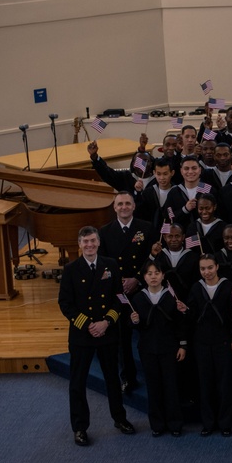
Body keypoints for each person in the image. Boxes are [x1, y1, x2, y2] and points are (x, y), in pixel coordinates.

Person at [57, 226, 133, 446]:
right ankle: (80, 428)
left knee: (112, 379)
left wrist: (106, 322)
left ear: (99, 242)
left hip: (107, 332)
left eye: (92, 241)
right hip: (82, 335)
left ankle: (120, 419)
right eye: (85, 242)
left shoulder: (111, 265)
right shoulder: (71, 270)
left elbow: (119, 298)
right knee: (77, 383)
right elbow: (65, 304)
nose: (89, 245)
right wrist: (89, 325)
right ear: (79, 244)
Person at [98, 191, 153, 393]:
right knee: (122, 338)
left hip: (141, 288)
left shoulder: (146, 228)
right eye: (120, 204)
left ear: (134, 206)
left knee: (147, 333)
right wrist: (118, 282)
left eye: (127, 203)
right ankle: (127, 377)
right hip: (118, 291)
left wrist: (137, 278)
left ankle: (151, 375)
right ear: (114, 207)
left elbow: (151, 257)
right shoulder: (104, 232)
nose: (124, 207)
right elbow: (102, 263)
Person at [129, 260, 188, 436]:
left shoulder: (173, 296)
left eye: (157, 273)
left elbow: (181, 324)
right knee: (153, 388)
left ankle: (175, 424)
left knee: (171, 387)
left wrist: (182, 345)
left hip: (169, 348)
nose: (153, 276)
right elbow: (134, 326)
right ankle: (157, 424)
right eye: (149, 273)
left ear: (163, 275)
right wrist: (134, 321)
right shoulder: (138, 298)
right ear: (144, 277)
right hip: (148, 349)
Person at [186, 253, 232, 437]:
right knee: (205, 384)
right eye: (203, 269)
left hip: (223, 341)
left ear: (217, 266)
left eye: (210, 267)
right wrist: (184, 310)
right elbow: (191, 316)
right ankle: (208, 423)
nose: (206, 272)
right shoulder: (195, 287)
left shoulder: (229, 286)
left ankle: (225, 423)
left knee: (224, 384)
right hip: (201, 343)